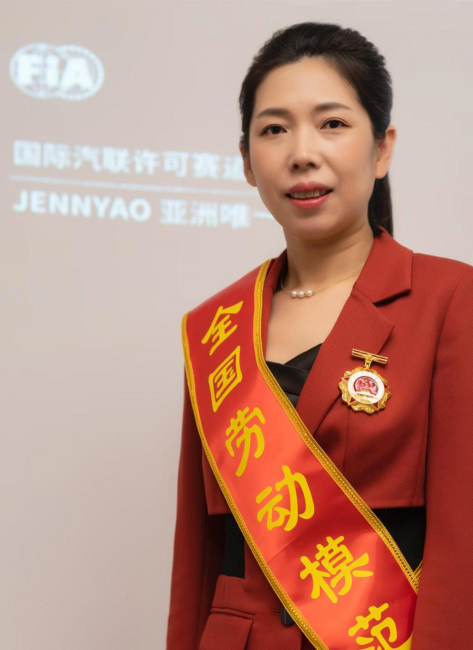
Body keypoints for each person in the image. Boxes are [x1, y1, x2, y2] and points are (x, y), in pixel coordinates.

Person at [166, 21, 473, 650]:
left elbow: (463, 541)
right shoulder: (214, 328)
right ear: (247, 161)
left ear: (382, 148)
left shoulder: (450, 300)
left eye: (332, 123)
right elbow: (199, 558)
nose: (302, 152)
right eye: (274, 129)